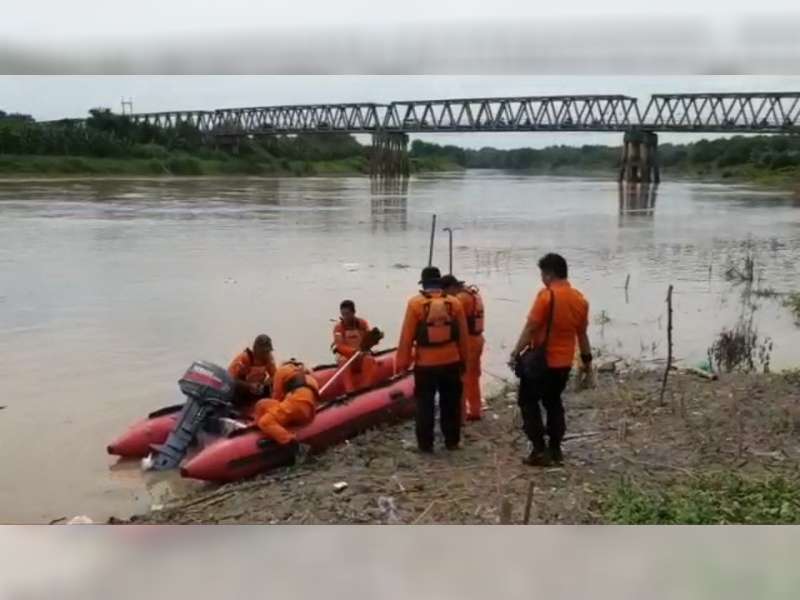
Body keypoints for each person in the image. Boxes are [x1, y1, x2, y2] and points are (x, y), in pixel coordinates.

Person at [508, 253, 592, 466]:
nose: (542, 279)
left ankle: (538, 449)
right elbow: (582, 335)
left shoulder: (546, 297)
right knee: (553, 402)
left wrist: (516, 352)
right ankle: (555, 449)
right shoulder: (580, 300)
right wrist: (587, 362)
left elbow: (531, 327)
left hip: (542, 362)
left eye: (542, 274)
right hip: (564, 364)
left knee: (528, 402)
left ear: (549, 274)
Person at [397, 266, 469, 453]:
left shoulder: (415, 304)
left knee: (424, 405)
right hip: (451, 361)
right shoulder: (454, 303)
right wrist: (465, 361)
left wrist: (402, 365)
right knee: (451, 403)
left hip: (425, 364)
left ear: (423, 284)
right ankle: (452, 442)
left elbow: (406, 338)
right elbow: (463, 337)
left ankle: (425, 445)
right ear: (439, 282)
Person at [441, 275, 485, 422]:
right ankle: (475, 410)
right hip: (478, 339)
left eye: (445, 292)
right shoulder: (472, 294)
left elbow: (450, 320)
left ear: (450, 287)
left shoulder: (460, 299)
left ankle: (460, 415)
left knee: (462, 379)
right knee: (474, 377)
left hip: (468, 342)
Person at [253, 359, 319, 456]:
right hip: (308, 413)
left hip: (295, 404)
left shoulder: (281, 371)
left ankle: (297, 447)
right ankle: (266, 430)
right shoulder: (306, 375)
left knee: (265, 422)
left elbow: (277, 397)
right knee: (261, 404)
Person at [332, 300, 378, 393]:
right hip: (348, 358)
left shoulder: (363, 324)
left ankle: (366, 387)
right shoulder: (338, 328)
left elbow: (368, 340)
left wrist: (373, 340)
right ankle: (350, 390)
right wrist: (353, 352)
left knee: (369, 359)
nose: (345, 317)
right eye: (343, 314)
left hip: (361, 356)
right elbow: (339, 346)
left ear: (354, 312)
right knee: (342, 360)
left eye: (347, 314)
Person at [227, 334, 277, 406]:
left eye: (268, 351)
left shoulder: (269, 359)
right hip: (242, 389)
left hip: (258, 389)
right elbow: (230, 379)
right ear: (256, 349)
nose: (266, 354)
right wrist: (249, 386)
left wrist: (263, 384)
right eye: (263, 351)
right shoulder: (244, 358)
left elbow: (275, 375)